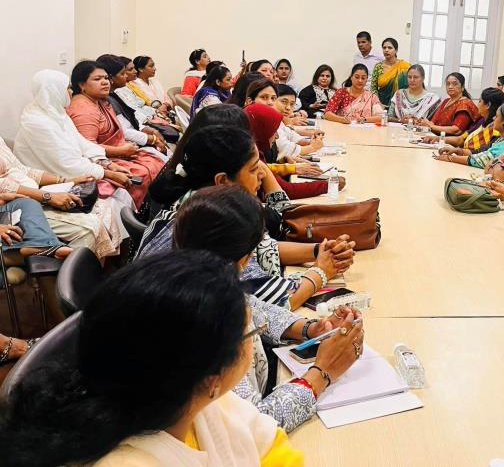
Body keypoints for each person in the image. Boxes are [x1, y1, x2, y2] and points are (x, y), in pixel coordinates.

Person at [0, 250, 355, 466]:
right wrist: (320, 373)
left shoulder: (195, 400)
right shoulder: (133, 459)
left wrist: (309, 329)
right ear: (212, 377)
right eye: (251, 333)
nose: (256, 334)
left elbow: (272, 447)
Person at [172, 185, 364, 432]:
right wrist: (322, 372)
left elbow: (256, 308)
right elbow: (251, 426)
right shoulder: (208, 324)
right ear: (243, 258)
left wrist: (311, 328)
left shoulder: (196, 278)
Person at [137, 125, 352, 308]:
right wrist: (321, 272)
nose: (262, 173)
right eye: (253, 169)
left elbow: (262, 248)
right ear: (222, 181)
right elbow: (272, 303)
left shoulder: (195, 203)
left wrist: (318, 251)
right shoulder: (212, 224)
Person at [15, 70, 136, 204]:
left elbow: (81, 143)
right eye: (67, 88)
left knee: (122, 192)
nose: (72, 92)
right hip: (51, 179)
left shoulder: (57, 113)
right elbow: (66, 162)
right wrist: (108, 173)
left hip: (74, 170)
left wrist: (108, 164)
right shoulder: (36, 122)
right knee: (116, 199)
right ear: (54, 91)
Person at [66, 61, 165, 208]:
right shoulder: (83, 108)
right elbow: (87, 149)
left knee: (157, 163)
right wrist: (121, 150)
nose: (105, 82)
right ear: (82, 85)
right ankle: (140, 216)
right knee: (143, 172)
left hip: (117, 152)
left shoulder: (100, 101)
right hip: (102, 159)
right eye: (97, 79)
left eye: (106, 78)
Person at [0, 140, 121, 260]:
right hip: (18, 203)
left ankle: (99, 274)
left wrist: (66, 180)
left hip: (32, 196)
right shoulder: (34, 122)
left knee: (104, 209)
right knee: (89, 229)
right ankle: (67, 275)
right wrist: (47, 196)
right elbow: (4, 185)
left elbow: (24, 170)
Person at [245, 103, 331, 200]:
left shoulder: (255, 148)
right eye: (273, 131)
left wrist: (283, 162)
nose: (277, 136)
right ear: (261, 129)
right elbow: (284, 191)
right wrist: (329, 185)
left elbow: (267, 167)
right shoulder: (250, 155)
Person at [95, 55, 168, 155]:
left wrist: (148, 130)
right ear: (111, 77)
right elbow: (123, 130)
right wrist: (152, 138)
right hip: (125, 143)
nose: (126, 76)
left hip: (137, 130)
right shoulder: (106, 99)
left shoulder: (112, 95)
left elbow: (128, 121)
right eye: (122, 73)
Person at [434, 101, 504, 168]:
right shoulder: (482, 123)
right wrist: (459, 151)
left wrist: (451, 158)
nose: (494, 118)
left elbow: (481, 160)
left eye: (497, 116)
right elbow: (481, 150)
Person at [273, 85, 324, 159]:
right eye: (284, 102)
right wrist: (313, 147)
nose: (288, 108)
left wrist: (310, 142)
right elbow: (284, 149)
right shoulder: (270, 121)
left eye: (292, 104)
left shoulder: (278, 120)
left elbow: (291, 135)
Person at [370, 37, 411, 107]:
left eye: (390, 48)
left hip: (401, 105)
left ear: (396, 50)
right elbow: (373, 88)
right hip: (382, 105)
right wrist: (378, 103)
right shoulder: (378, 66)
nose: (386, 50)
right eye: (384, 47)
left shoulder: (405, 66)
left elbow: (411, 86)